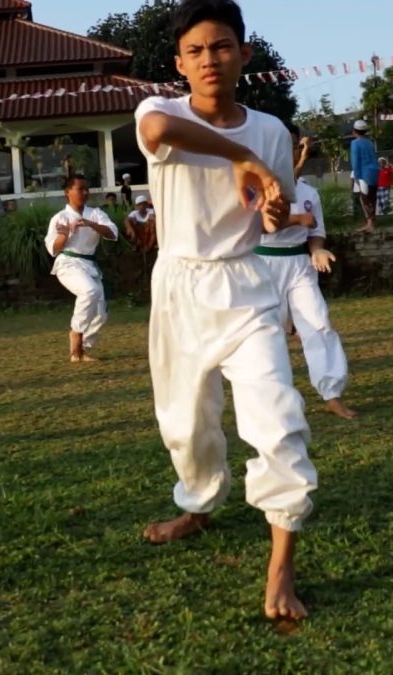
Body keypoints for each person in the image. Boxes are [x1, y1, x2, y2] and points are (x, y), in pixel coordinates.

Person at [136, 0, 317, 623]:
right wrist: (238, 159)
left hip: (247, 288)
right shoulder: (158, 112)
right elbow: (161, 137)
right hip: (179, 288)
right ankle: (199, 504)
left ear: (244, 53)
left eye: (221, 46)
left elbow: (279, 213)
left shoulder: (271, 129)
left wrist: (272, 210)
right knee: (186, 426)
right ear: (179, 64)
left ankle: (281, 569)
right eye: (196, 51)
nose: (209, 59)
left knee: (278, 420)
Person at [258, 127, 356, 421]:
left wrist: (317, 250)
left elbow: (316, 232)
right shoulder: (257, 188)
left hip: (300, 265)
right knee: (267, 333)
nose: (286, 153)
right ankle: (270, 399)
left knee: (319, 322)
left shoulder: (309, 192)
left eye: (291, 146)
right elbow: (255, 226)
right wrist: (296, 218)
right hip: (264, 263)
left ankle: (332, 393)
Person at [45, 174, 118, 362]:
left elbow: (112, 234)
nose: (85, 192)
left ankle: (80, 350)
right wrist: (66, 232)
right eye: (80, 189)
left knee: (101, 314)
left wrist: (90, 224)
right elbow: (53, 248)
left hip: (89, 264)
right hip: (68, 263)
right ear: (67, 192)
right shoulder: (60, 217)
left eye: (87, 189)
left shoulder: (96, 214)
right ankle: (76, 333)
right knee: (90, 291)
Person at [350, 120, 379, 233]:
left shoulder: (355, 143)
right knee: (372, 197)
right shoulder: (370, 142)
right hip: (374, 171)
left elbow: (355, 161)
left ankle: (370, 224)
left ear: (354, 131)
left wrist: (356, 176)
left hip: (364, 173)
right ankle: (372, 222)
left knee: (364, 198)